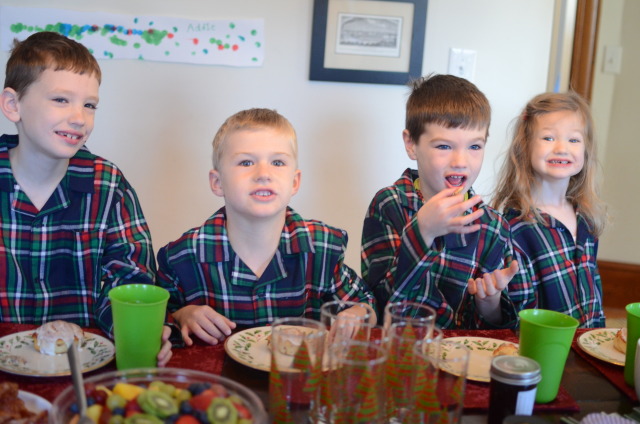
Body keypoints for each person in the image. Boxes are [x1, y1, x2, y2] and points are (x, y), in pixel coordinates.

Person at [0, 32, 172, 365]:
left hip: (86, 366)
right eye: (60, 100)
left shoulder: (108, 185)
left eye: (89, 105)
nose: (79, 117)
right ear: (12, 105)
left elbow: (129, 277)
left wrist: (134, 326)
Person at [156, 108, 375, 346]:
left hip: (299, 368)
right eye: (246, 162)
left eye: (277, 162)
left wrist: (357, 313)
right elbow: (158, 318)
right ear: (218, 183)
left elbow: (367, 304)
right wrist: (181, 315)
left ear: (294, 182)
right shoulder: (182, 257)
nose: (263, 174)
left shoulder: (322, 248)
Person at [361, 74, 519, 329]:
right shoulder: (389, 205)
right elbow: (380, 307)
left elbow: (499, 331)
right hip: (402, 349)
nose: (460, 161)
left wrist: (489, 304)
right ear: (411, 144)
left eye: (474, 147)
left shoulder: (494, 226)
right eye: (444, 146)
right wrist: (421, 233)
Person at [492, 91, 607, 328]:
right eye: (548, 138)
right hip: (547, 347)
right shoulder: (515, 229)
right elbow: (518, 316)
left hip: (589, 342)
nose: (562, 148)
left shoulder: (585, 218)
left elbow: (594, 291)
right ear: (525, 146)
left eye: (574, 140)